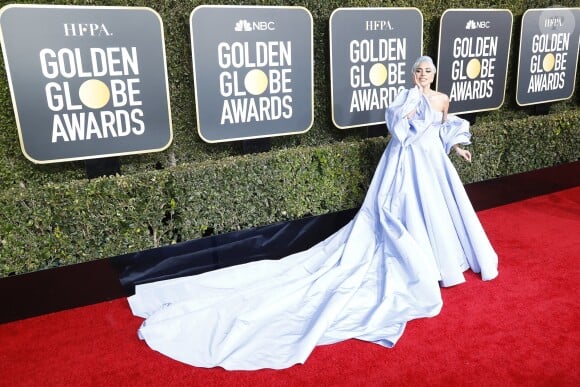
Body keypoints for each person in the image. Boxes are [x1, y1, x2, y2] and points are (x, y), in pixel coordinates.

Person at [127, 56, 498, 370]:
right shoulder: (405, 97)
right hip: (404, 163)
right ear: (412, 73)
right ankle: (418, 260)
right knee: (404, 214)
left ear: (434, 75)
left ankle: (440, 259)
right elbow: (398, 130)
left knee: (438, 210)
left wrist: (459, 148)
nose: (423, 76)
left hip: (433, 163)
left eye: (427, 72)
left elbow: (447, 127)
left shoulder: (443, 99)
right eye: (418, 71)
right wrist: (410, 106)